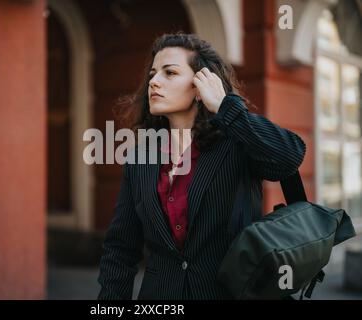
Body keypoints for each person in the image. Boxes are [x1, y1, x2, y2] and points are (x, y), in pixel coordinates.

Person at [97, 33, 306, 300]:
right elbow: (120, 248)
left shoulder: (235, 144)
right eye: (152, 73)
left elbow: (289, 156)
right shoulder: (140, 158)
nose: (154, 82)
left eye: (169, 73)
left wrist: (225, 107)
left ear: (199, 86)